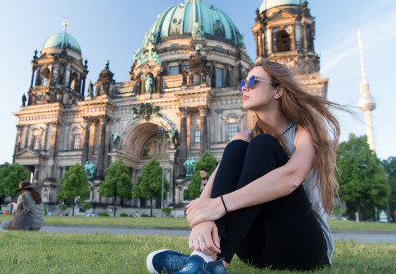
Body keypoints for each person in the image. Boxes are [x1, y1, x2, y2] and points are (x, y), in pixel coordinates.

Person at [147, 59, 343, 273]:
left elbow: (291, 178)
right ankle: (202, 258)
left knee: (263, 144)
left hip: (302, 248)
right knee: (240, 143)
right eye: (243, 83)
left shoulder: (303, 133)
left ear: (278, 91)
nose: (245, 87)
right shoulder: (242, 138)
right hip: (255, 252)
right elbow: (210, 191)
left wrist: (219, 206)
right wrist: (202, 219)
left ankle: (208, 262)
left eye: (254, 81)